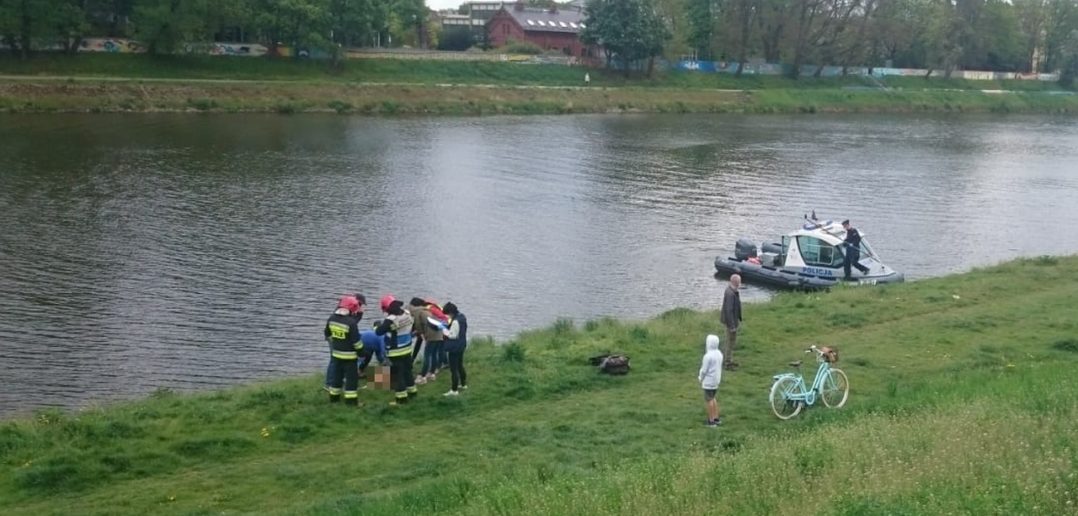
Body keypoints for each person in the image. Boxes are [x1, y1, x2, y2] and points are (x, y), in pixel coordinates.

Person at [375, 295, 417, 405]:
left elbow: (379, 332)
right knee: (407, 371)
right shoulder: (407, 314)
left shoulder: (390, 320)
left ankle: (401, 399)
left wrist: (377, 326)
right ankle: (412, 393)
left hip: (395, 351)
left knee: (398, 375)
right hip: (407, 348)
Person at [323, 296, 363, 405]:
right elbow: (357, 342)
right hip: (349, 357)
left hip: (336, 355)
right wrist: (362, 352)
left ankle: (334, 400)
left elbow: (327, 333)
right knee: (351, 380)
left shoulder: (331, 318)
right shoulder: (351, 322)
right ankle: (351, 403)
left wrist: (337, 342)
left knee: (336, 378)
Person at [409, 298, 445, 385]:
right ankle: (432, 373)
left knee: (427, 355)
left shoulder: (418, 312)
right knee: (433, 354)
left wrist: (421, 334)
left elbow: (417, 325)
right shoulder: (427, 310)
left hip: (432, 336)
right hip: (439, 334)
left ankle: (423, 376)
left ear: (413, 306)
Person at [441, 302, 468, 396]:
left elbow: (452, 336)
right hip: (462, 344)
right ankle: (463, 384)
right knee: (460, 365)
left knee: (453, 369)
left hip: (454, 347)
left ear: (451, 312)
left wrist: (444, 331)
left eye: (447, 314)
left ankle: (454, 390)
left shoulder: (455, 321)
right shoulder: (462, 317)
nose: (448, 316)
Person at [698, 334, 724, 427]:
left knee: (709, 400)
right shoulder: (719, 353)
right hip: (716, 380)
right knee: (713, 398)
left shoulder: (708, 356)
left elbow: (704, 370)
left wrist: (700, 378)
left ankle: (711, 421)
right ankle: (716, 418)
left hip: (708, 382)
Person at [720, 274, 742, 370]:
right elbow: (729, 310)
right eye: (739, 281)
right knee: (730, 341)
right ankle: (727, 363)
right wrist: (732, 326)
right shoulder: (730, 293)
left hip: (733, 320)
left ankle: (729, 359)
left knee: (731, 341)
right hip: (731, 322)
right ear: (736, 282)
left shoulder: (732, 291)